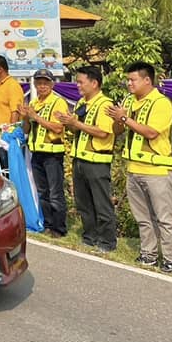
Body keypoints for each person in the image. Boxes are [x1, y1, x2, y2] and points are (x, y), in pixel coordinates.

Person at [107, 62, 172, 272]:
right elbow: (118, 130)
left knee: (165, 218)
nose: (129, 84)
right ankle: (148, 254)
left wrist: (124, 117)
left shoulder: (161, 102)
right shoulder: (128, 101)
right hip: (134, 169)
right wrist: (118, 119)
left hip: (157, 171)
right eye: (128, 80)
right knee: (143, 218)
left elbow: (151, 132)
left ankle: (170, 259)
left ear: (147, 80)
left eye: (133, 80)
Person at [55, 66, 117, 253]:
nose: (78, 86)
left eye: (81, 82)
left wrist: (76, 123)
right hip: (79, 158)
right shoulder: (82, 102)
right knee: (83, 202)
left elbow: (103, 132)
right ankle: (89, 236)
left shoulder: (105, 104)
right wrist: (68, 122)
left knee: (101, 202)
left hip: (97, 161)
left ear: (94, 83)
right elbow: (76, 128)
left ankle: (107, 241)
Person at [19, 69, 69, 238]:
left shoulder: (58, 102)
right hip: (37, 152)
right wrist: (26, 117)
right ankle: (48, 224)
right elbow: (26, 130)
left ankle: (59, 228)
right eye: (39, 83)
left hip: (53, 154)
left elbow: (58, 128)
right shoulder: (34, 103)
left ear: (52, 84)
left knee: (55, 193)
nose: (42, 86)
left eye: (45, 83)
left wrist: (36, 117)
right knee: (42, 192)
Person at [0, 55, 24, 130]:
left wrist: (11, 132)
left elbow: (15, 112)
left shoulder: (12, 85)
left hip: (4, 134)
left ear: (0, 69)